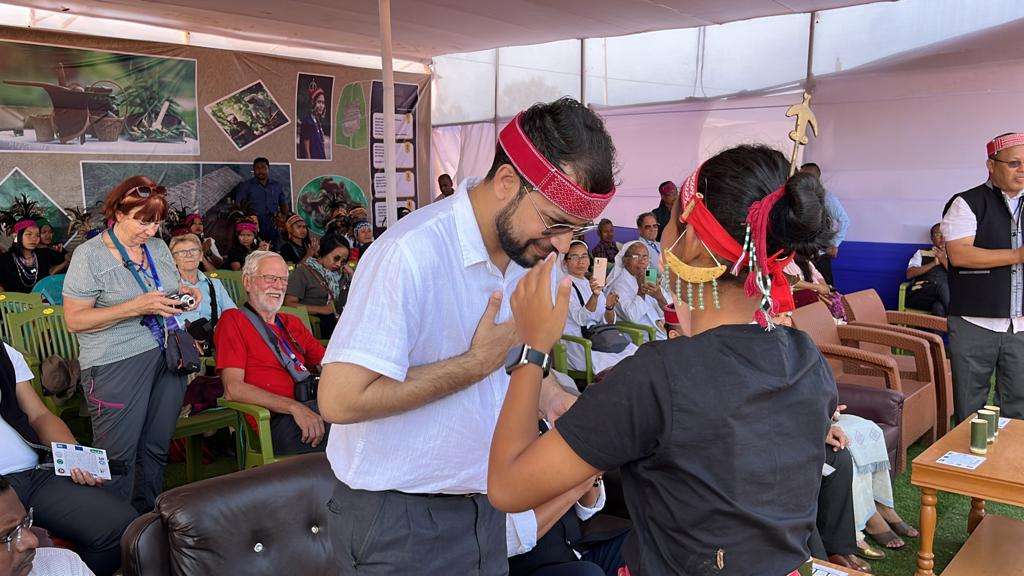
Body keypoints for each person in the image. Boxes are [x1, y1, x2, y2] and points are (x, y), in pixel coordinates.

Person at [488, 144, 839, 575]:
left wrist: (532, 347)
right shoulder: (806, 360)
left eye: (670, 221)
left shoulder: (659, 377)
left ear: (689, 242)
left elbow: (507, 487)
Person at [317, 97, 613, 575]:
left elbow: (515, 362)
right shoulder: (409, 255)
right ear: (506, 182)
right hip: (398, 520)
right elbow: (339, 400)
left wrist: (551, 398)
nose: (562, 244)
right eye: (555, 223)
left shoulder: (528, 259)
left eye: (573, 230)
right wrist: (474, 365)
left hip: (484, 509)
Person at [63, 176, 202, 513]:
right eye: (143, 221)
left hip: (166, 358)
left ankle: (145, 527)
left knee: (155, 447)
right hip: (115, 364)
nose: (150, 231)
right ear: (119, 213)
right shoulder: (90, 255)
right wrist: (135, 307)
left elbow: (166, 290)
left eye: (155, 223)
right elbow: (74, 320)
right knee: (118, 458)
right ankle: (113, 536)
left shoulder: (155, 248)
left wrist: (187, 292)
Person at [0, 341, 136, 576]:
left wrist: (73, 454)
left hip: (34, 474)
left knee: (123, 528)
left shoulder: (3, 352)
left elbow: (39, 414)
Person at [942, 133, 1024, 422]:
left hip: (1021, 325)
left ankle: (1012, 467)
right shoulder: (966, 202)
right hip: (974, 323)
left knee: (1019, 407)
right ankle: (968, 465)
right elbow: (960, 255)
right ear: (991, 165)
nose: (1022, 170)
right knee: (970, 407)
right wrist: (1017, 255)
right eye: (1014, 163)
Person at [214, 251, 329, 455]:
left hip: (312, 408)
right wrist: (294, 408)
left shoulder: (291, 323)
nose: (278, 285)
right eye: (270, 278)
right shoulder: (233, 321)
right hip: (276, 422)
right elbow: (233, 388)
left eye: (283, 280)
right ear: (248, 282)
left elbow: (328, 364)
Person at [562, 240, 636, 374]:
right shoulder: (564, 286)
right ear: (565, 262)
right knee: (619, 367)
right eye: (574, 257)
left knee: (635, 354)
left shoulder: (592, 283)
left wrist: (609, 307)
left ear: (589, 261)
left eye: (584, 256)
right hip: (581, 344)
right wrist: (594, 297)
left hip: (599, 339)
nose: (580, 261)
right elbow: (581, 319)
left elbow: (607, 321)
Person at [170, 234, 237, 349]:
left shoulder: (215, 284)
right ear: (173, 260)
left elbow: (232, 314)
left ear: (201, 256)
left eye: (194, 250)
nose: (189, 255)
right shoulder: (169, 287)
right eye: (182, 252)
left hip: (215, 342)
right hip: (182, 345)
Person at [285, 234, 350, 337]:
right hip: (316, 327)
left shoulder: (342, 276)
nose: (338, 264)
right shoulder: (303, 271)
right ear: (324, 252)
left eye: (343, 261)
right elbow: (289, 304)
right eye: (336, 258)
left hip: (342, 324)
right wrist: (322, 310)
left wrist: (352, 275)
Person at [607, 241, 667, 339]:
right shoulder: (618, 285)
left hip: (662, 329)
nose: (642, 261)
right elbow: (632, 317)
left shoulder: (649, 277)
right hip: (641, 335)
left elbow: (670, 309)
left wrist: (659, 297)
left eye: (645, 257)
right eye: (636, 257)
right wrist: (641, 291)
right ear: (625, 260)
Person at [800, 163, 848, 285]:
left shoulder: (827, 197)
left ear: (814, 178)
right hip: (802, 254)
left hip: (819, 255)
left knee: (827, 290)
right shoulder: (799, 196)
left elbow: (844, 220)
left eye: (804, 176)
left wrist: (834, 244)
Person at [233, 158, 289, 245]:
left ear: (268, 169)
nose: (260, 171)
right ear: (253, 170)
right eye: (257, 168)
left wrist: (284, 217)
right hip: (254, 224)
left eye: (263, 168)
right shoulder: (246, 186)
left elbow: (283, 204)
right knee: (256, 251)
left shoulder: (276, 185)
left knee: (275, 250)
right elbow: (237, 204)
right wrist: (247, 218)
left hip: (273, 224)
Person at [0, 220, 63, 293]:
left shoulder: (44, 255)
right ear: (16, 236)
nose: (34, 239)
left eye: (37, 235)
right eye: (29, 234)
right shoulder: (5, 260)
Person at [905, 223, 950, 316]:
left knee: (938, 308)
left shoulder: (954, 256)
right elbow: (909, 274)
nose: (942, 238)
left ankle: (938, 331)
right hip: (920, 295)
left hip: (942, 298)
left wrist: (943, 260)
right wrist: (933, 263)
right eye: (938, 235)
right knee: (941, 286)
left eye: (945, 234)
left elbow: (959, 276)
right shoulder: (921, 253)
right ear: (932, 238)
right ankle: (957, 323)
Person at [297, 80, 328, 160]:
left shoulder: (317, 121)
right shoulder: (308, 121)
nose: (321, 105)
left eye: (323, 103)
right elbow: (306, 150)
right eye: (319, 102)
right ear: (313, 103)